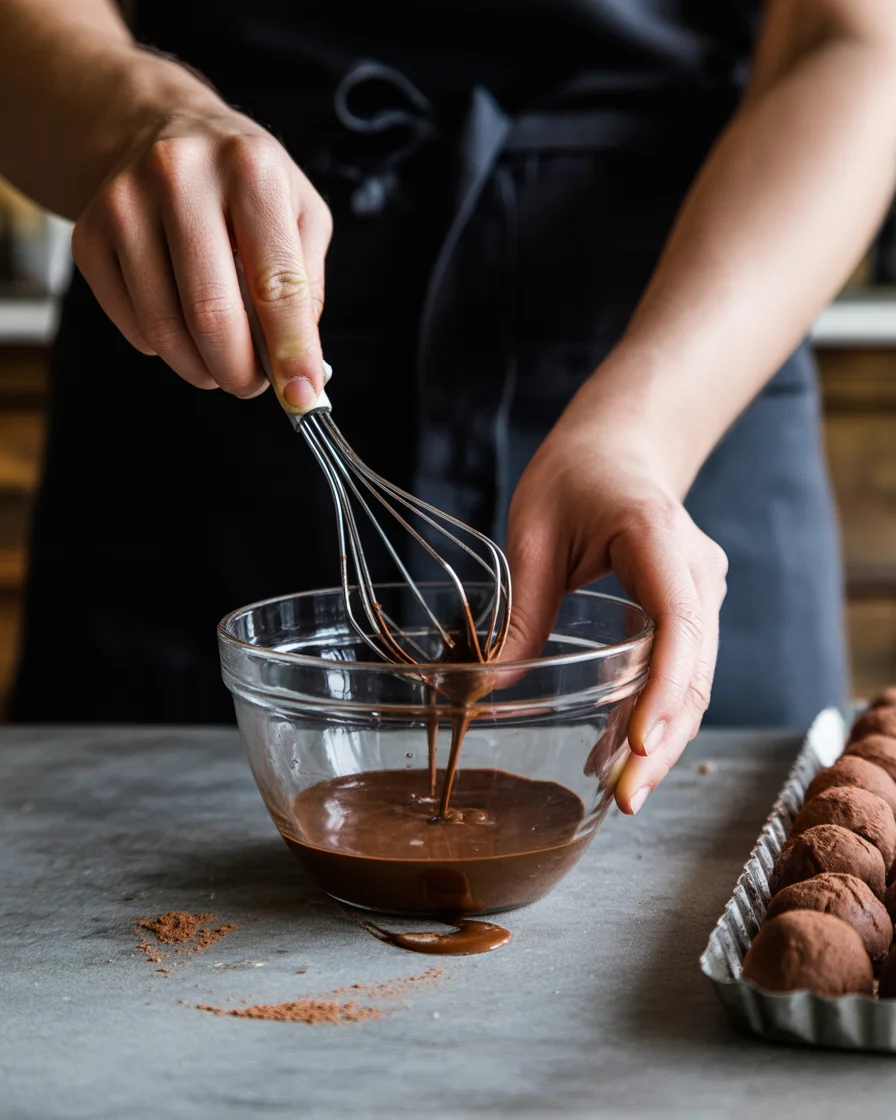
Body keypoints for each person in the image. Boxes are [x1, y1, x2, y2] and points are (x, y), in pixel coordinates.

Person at [1, 0, 892, 816]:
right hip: (207, 308)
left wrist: (644, 436)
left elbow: (852, 40)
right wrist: (129, 116)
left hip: (694, 335)